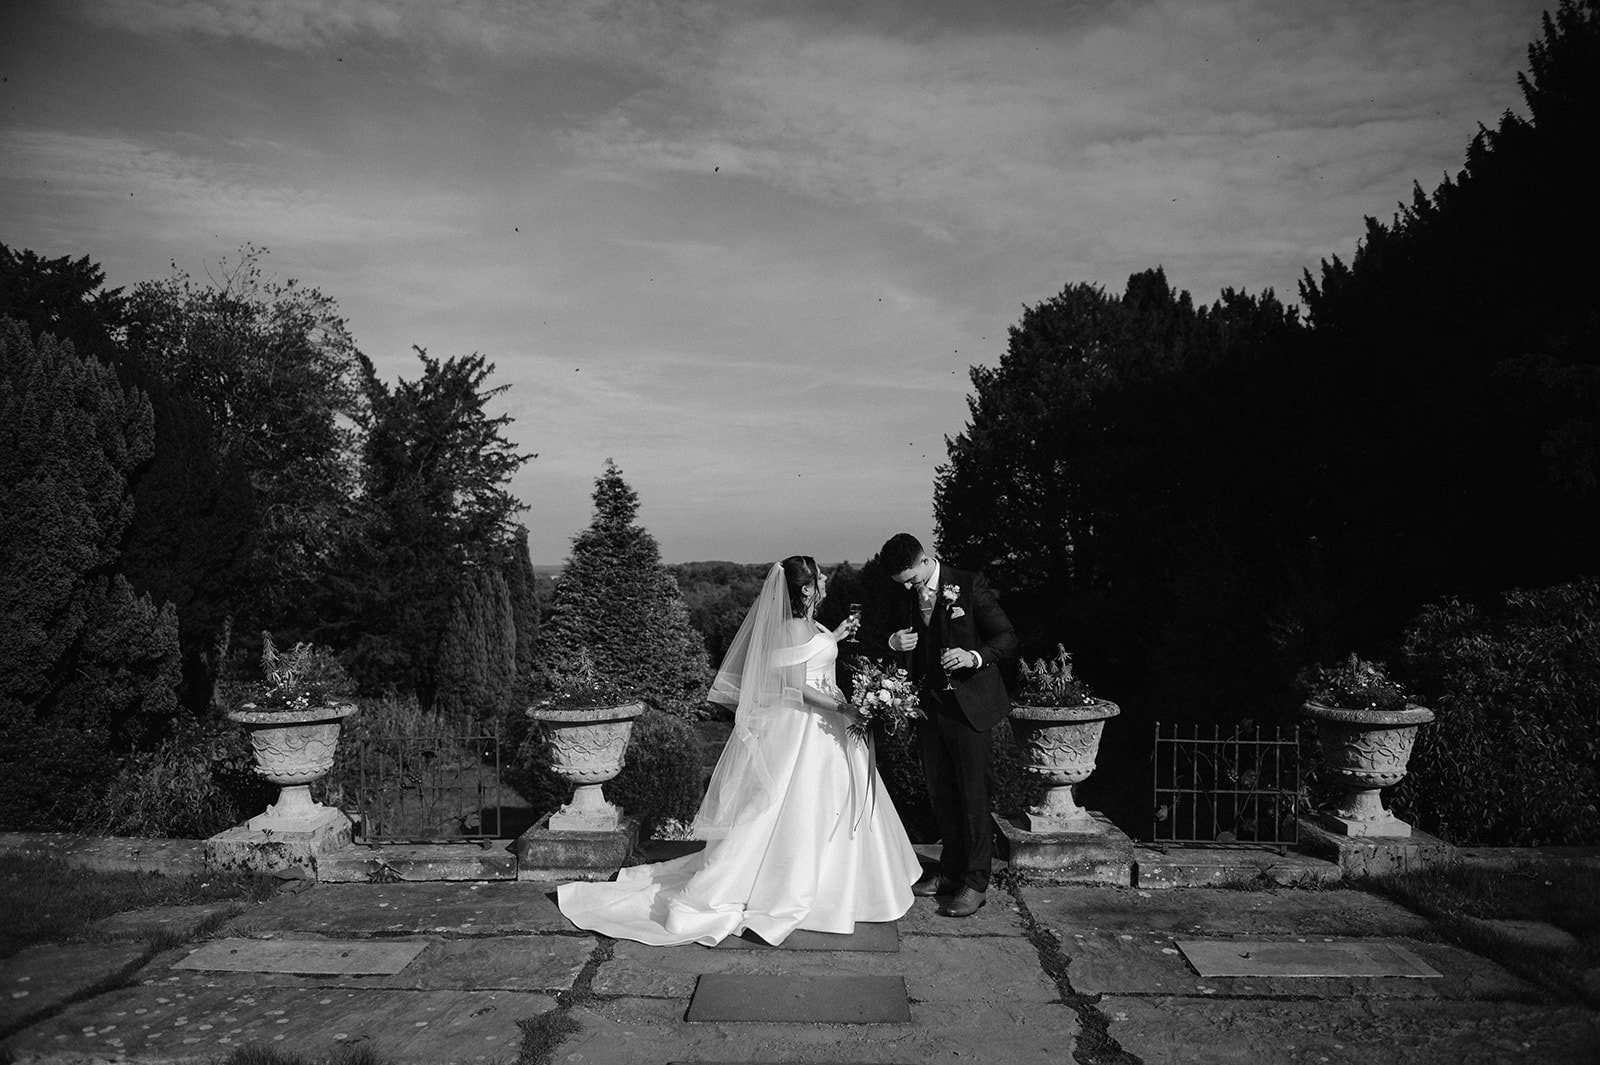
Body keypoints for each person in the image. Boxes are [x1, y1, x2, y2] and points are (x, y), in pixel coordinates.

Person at [556, 555, 920, 946]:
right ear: (805, 588)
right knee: (798, 806)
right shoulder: (793, 627)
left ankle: (847, 886)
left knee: (830, 803)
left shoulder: (808, 623)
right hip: (808, 726)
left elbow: (812, 656)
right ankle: (804, 889)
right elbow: (796, 687)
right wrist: (844, 708)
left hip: (826, 724)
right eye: (819, 576)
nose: (826, 578)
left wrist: (834, 636)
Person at [880, 533, 1017, 918]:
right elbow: (885, 631)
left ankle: (976, 883)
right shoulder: (906, 592)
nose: (908, 587)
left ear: (924, 560)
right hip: (928, 710)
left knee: (973, 798)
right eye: (902, 583)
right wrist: (893, 642)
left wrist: (974, 656)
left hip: (969, 709)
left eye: (911, 579)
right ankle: (950, 873)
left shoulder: (969, 585)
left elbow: (1006, 637)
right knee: (941, 796)